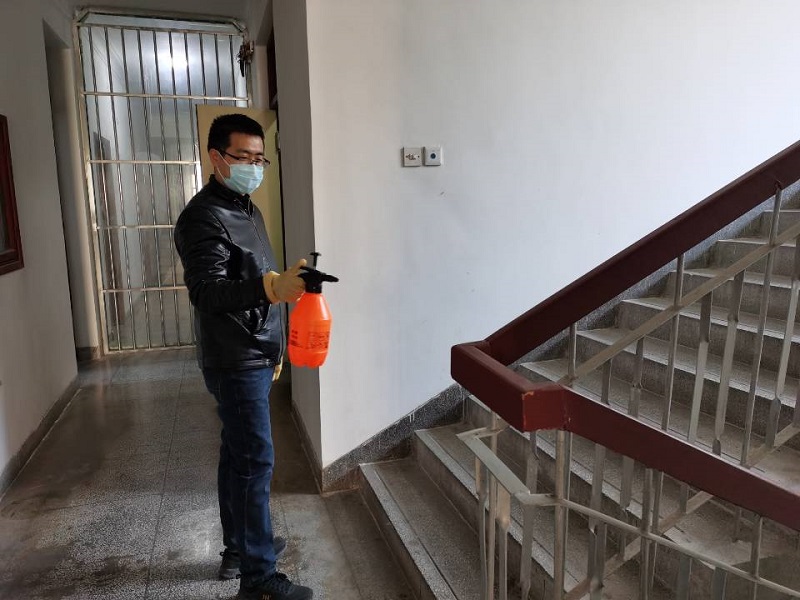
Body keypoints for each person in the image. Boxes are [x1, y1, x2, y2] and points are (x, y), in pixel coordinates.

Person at [174, 113, 313, 600]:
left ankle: (239, 548)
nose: (254, 167)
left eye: (260, 159)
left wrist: (279, 311)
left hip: (253, 348)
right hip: (235, 356)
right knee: (255, 461)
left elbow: (254, 273)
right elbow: (207, 291)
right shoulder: (203, 217)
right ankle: (259, 580)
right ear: (216, 157)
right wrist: (270, 289)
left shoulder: (246, 209)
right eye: (244, 157)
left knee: (237, 455)